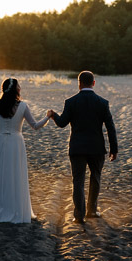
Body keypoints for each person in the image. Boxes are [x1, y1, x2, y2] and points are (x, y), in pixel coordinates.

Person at [0, 77, 52, 223]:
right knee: (15, 175)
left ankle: (0, 206)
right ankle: (15, 207)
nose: (20, 88)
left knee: (0, 175)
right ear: (16, 90)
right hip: (16, 143)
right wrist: (47, 117)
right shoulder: (22, 106)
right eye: (19, 86)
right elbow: (35, 126)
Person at [49, 70, 118, 224]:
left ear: (79, 83)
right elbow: (110, 127)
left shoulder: (71, 102)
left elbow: (62, 123)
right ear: (93, 83)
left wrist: (53, 115)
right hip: (96, 148)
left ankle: (78, 216)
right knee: (95, 178)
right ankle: (92, 210)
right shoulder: (102, 103)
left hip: (77, 148)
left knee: (78, 181)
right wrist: (114, 149)